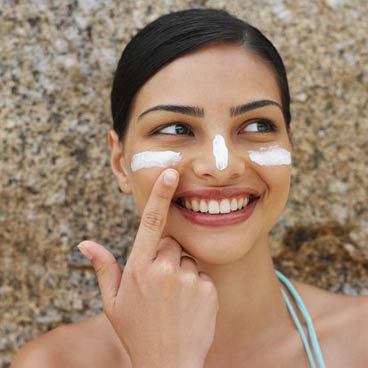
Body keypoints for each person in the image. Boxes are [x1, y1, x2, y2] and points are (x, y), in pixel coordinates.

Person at [11, 8, 368, 368]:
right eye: (176, 129)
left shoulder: (361, 340)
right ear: (119, 162)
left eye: (257, 125)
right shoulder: (55, 362)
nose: (220, 166)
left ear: (290, 145)